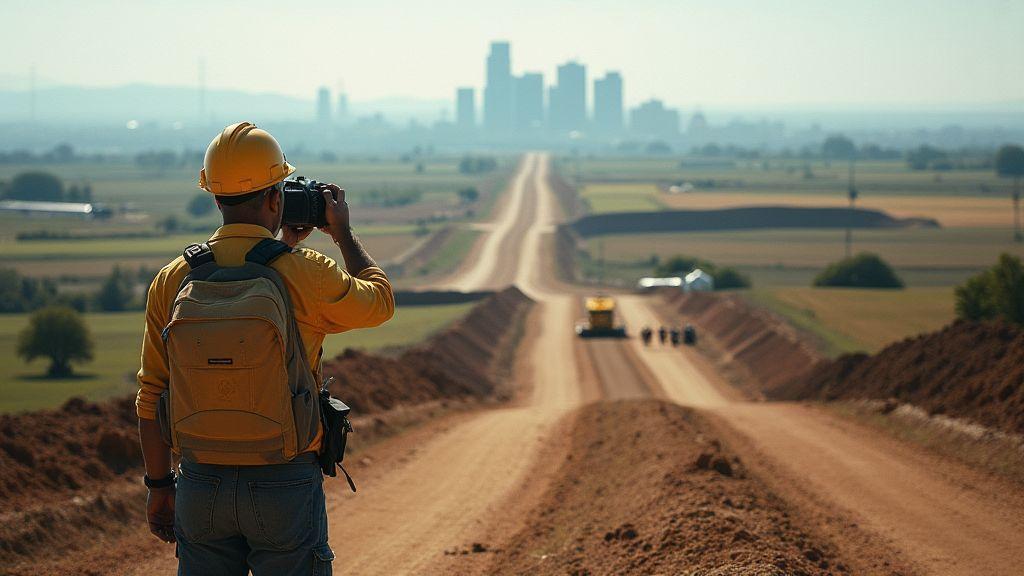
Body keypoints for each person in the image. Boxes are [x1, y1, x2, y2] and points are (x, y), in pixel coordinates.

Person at [136, 122, 394, 575]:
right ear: (276, 198)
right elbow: (380, 301)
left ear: (215, 198)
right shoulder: (307, 274)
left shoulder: (172, 278)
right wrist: (342, 233)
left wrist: (159, 487)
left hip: (200, 484)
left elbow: (151, 395)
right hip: (284, 482)